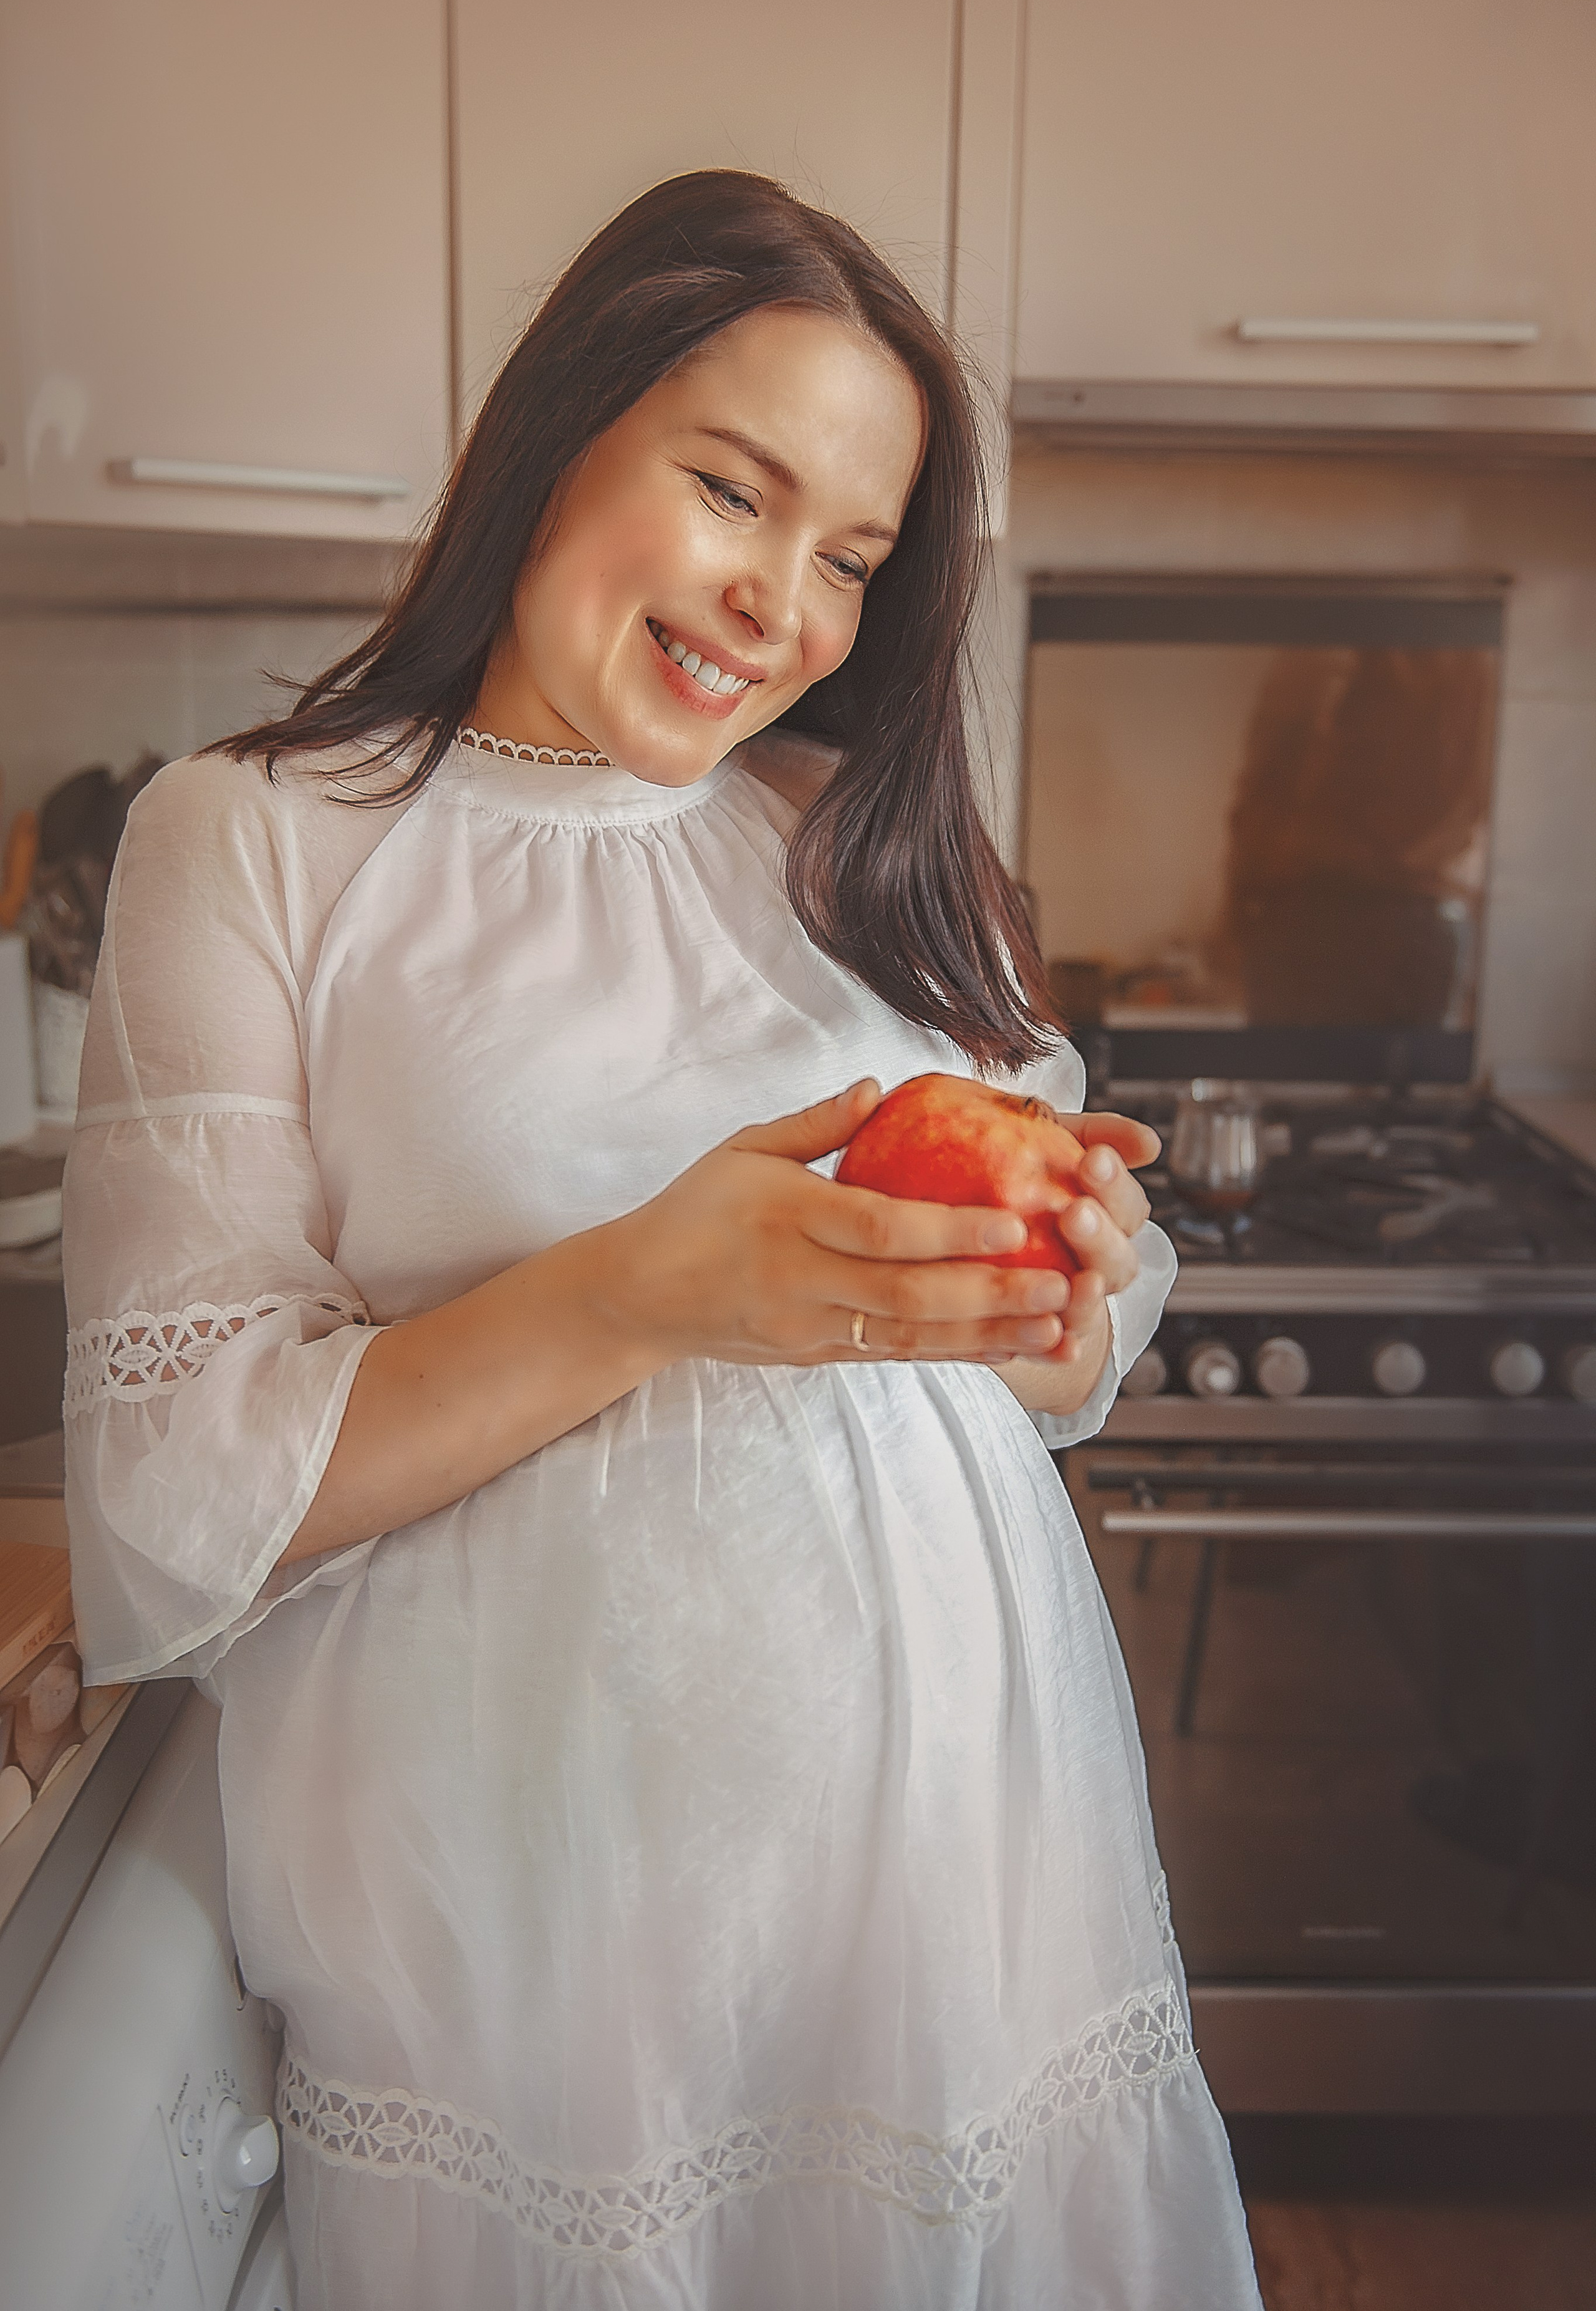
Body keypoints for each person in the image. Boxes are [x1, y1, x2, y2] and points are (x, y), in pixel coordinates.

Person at [63, 171, 1261, 2309]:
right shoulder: (255, 840)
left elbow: (1072, 1354)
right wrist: (635, 1290)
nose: (784, 607)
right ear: (561, 428)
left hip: (963, 1900)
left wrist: (1067, 1278)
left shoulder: (852, 849)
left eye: (855, 562)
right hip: (538, 1944)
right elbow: (174, 1506)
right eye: (735, 490)